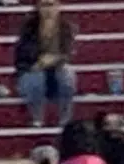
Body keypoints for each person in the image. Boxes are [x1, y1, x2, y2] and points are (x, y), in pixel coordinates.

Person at [12, 0, 75, 128]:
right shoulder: (28, 28)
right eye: (44, 5)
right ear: (38, 8)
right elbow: (23, 55)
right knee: (36, 77)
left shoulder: (66, 27)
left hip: (56, 70)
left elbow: (67, 53)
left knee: (67, 75)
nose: (48, 10)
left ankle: (65, 120)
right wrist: (41, 61)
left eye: (51, 5)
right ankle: (37, 119)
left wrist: (53, 60)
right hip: (31, 70)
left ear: (58, 7)